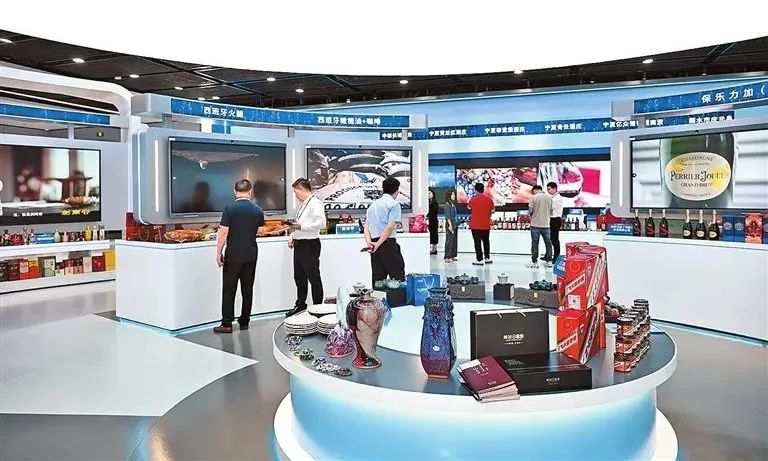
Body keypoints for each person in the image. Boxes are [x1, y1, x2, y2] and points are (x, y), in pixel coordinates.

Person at [214, 179, 265, 333]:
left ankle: (227, 324)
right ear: (250, 191)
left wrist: (218, 253)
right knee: (247, 289)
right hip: (251, 254)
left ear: (235, 191)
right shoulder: (257, 210)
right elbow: (260, 231)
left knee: (229, 289)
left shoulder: (229, 209)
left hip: (233, 254)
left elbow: (223, 232)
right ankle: (244, 322)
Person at [286, 178, 327, 317]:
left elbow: (321, 223)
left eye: (296, 192)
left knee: (313, 277)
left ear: (302, 189)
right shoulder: (303, 204)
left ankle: (318, 308)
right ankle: (300, 304)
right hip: (299, 245)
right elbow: (299, 224)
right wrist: (293, 237)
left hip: (310, 245)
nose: (295, 195)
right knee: (299, 277)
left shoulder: (315, 203)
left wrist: (300, 227)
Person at [364, 177, 406, 287]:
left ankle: (377, 298)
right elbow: (390, 226)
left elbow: (366, 227)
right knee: (397, 277)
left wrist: (370, 244)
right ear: (396, 191)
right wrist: (378, 244)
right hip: (387, 243)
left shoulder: (372, 206)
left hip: (374, 244)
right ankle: (398, 298)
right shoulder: (394, 204)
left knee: (378, 279)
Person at [468, 182, 494, 266]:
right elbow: (493, 210)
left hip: (475, 225)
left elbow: (469, 208)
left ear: (475, 190)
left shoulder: (472, 200)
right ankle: (487, 258)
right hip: (486, 224)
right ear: (483, 190)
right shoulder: (489, 199)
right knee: (486, 242)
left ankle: (479, 259)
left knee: (477, 242)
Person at [527, 185, 553, 269]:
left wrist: (532, 214)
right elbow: (551, 211)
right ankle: (549, 261)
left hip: (535, 224)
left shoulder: (533, 197)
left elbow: (530, 210)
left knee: (535, 243)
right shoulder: (549, 198)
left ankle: (534, 261)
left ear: (535, 190)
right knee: (548, 243)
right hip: (546, 224)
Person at [547, 181, 564, 261]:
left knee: (554, 239)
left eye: (549, 189)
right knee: (552, 239)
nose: (548, 191)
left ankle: (556, 256)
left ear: (554, 189)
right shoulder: (553, 197)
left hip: (555, 220)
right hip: (553, 219)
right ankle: (551, 255)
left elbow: (550, 208)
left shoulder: (557, 198)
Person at [443, 190, 458, 263]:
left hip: (455, 224)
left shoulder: (453, 204)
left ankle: (452, 255)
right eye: (453, 195)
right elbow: (448, 216)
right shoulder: (447, 205)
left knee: (454, 241)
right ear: (449, 196)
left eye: (454, 195)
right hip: (450, 224)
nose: (454, 196)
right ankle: (447, 256)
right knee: (449, 240)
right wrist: (450, 225)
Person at [427, 189, 439, 255]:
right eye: (428, 193)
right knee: (431, 234)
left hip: (434, 221)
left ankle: (434, 249)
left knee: (434, 234)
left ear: (433, 194)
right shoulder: (428, 203)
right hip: (430, 221)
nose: (429, 195)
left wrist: (428, 215)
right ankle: (433, 249)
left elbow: (433, 212)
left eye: (430, 193)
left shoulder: (435, 203)